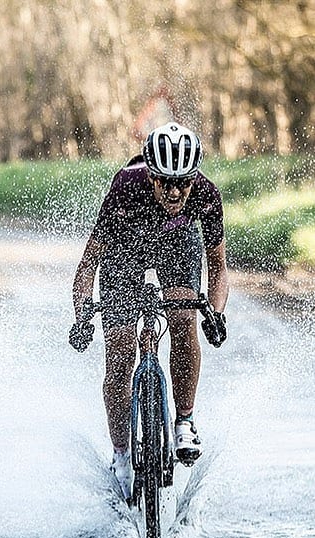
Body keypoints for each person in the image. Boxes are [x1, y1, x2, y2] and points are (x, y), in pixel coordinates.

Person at [69, 122, 228, 500]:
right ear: (151, 176)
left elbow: (219, 268)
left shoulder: (206, 195)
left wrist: (216, 313)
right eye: (164, 182)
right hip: (125, 250)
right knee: (120, 352)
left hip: (177, 246)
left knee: (183, 317)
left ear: (194, 179)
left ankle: (184, 421)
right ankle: (121, 455)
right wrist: (81, 316)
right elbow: (88, 265)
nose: (174, 192)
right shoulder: (126, 188)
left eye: (183, 183)